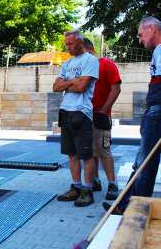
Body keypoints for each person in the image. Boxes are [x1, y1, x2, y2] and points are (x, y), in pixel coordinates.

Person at [104, 16, 161, 214]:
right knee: (144, 160)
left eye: (140, 34)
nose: (139, 39)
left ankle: (133, 207)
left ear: (151, 28)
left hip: (157, 111)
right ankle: (126, 203)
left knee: (145, 161)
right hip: (155, 110)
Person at [53, 30, 99, 207]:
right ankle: (76, 187)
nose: (68, 47)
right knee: (71, 154)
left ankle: (87, 190)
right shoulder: (67, 63)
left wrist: (68, 83)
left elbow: (82, 87)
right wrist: (73, 81)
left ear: (80, 42)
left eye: (71, 44)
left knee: (85, 154)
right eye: (66, 44)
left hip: (82, 112)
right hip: (66, 111)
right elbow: (56, 86)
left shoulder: (91, 61)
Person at [83, 38, 121, 200]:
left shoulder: (106, 64)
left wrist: (104, 110)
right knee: (91, 151)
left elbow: (116, 88)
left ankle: (112, 184)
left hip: (101, 114)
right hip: (85, 115)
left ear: (90, 49)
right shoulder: (83, 68)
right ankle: (95, 181)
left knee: (104, 150)